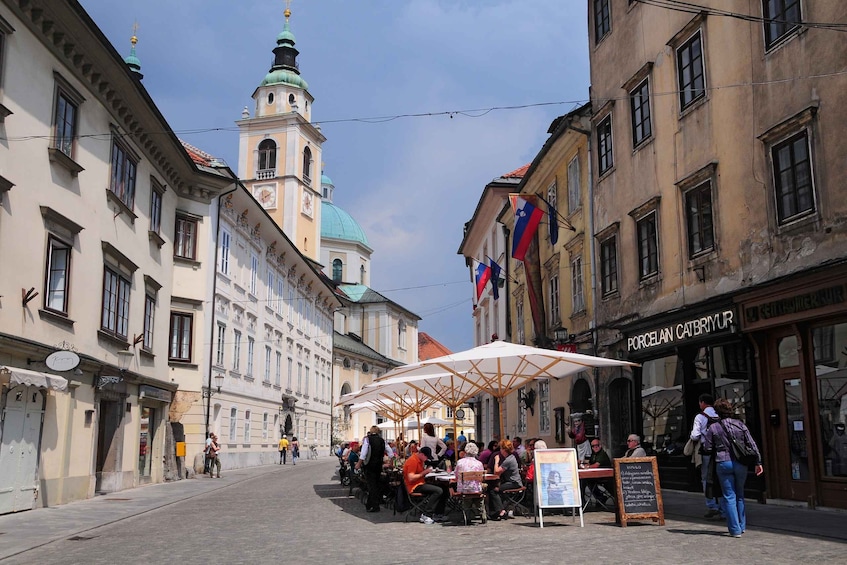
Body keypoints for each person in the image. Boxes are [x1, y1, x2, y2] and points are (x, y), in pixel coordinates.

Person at [703, 398, 763, 538]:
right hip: (740, 462)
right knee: (740, 495)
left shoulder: (714, 427)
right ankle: (742, 526)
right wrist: (758, 462)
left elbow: (707, 447)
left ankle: (735, 530)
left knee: (729, 496)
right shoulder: (740, 425)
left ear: (717, 412)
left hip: (723, 462)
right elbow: (752, 445)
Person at [690, 393, 723, 518]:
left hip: (706, 452)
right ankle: (724, 508)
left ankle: (711, 505)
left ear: (703, 402)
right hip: (721, 451)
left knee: (706, 478)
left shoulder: (700, 416)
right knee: (721, 478)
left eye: (700, 403)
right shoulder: (719, 414)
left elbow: (695, 435)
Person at [403, 446, 446, 524]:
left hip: (420, 483)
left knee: (444, 487)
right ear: (422, 454)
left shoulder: (420, 460)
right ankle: (426, 514)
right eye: (426, 457)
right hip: (414, 486)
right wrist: (424, 472)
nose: (427, 459)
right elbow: (411, 478)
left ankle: (438, 513)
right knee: (438, 491)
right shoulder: (413, 461)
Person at [488, 439, 522, 520]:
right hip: (514, 481)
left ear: (503, 449)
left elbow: (496, 472)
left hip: (514, 483)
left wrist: (497, 460)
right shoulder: (511, 457)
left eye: (501, 449)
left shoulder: (508, 460)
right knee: (497, 489)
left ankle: (500, 511)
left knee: (494, 490)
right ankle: (499, 510)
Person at [359, 426, 387, 513]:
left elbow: (363, 453)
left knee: (371, 485)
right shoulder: (382, 440)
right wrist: (392, 459)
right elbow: (389, 451)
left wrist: (359, 463)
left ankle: (374, 505)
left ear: (371, 431)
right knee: (376, 484)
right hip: (378, 465)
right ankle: (370, 504)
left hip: (369, 465)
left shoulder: (367, 440)